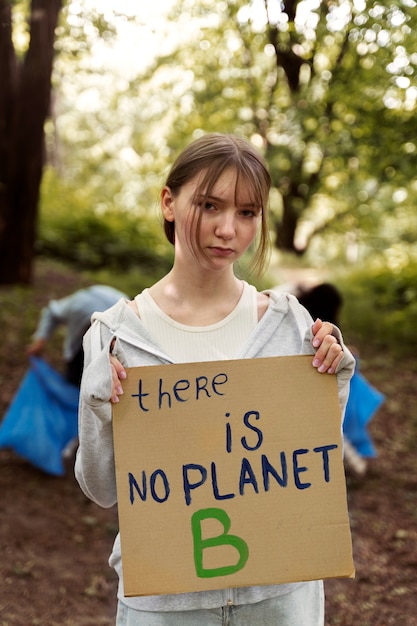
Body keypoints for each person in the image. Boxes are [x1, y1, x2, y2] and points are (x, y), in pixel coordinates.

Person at [75, 133, 355, 626]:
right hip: (163, 604)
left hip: (279, 598)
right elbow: (102, 488)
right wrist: (99, 406)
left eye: (248, 212)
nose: (228, 229)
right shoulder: (116, 336)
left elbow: (303, 469)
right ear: (169, 201)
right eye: (209, 205)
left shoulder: (289, 324)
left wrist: (333, 381)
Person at [298, 282, 384, 478]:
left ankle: (352, 447)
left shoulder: (305, 311)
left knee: (354, 376)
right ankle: (351, 450)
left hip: (323, 384)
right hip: (317, 391)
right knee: (353, 386)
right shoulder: (308, 324)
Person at [27, 284, 128, 387]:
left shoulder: (126, 311)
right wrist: (40, 341)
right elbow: (51, 312)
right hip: (80, 345)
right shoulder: (77, 307)